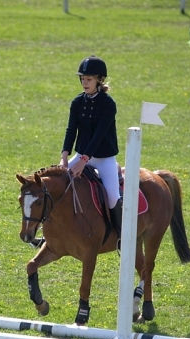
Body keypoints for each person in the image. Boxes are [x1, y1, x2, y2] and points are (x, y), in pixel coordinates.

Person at [31, 55, 122, 249]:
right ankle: (48, 235)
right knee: (56, 187)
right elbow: (71, 129)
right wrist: (64, 156)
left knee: (113, 196)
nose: (84, 82)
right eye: (82, 79)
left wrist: (84, 159)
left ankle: (121, 237)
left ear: (100, 80)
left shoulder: (108, 104)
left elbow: (99, 135)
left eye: (88, 79)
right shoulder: (77, 102)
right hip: (80, 156)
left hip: (104, 159)